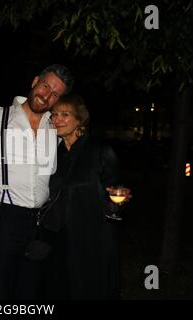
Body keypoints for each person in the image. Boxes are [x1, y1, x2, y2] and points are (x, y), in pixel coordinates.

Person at [0, 64, 74, 299]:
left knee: (31, 291)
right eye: (45, 86)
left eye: (55, 94)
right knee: (0, 289)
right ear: (35, 82)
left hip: (41, 222)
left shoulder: (55, 126)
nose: (47, 95)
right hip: (4, 218)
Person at [43, 94, 130, 299]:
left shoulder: (100, 151)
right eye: (54, 115)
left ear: (79, 120)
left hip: (93, 238)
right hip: (60, 238)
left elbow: (115, 193)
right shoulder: (53, 154)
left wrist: (119, 202)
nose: (57, 120)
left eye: (65, 114)